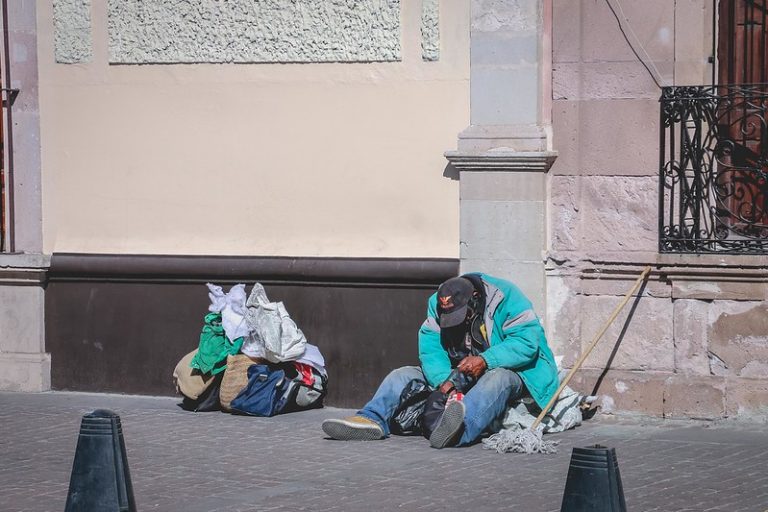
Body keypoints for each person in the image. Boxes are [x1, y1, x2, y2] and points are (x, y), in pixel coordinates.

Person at [322, 273, 559, 448]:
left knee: (499, 378)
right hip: (459, 373)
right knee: (403, 374)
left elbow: (526, 345)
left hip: (514, 370)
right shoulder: (438, 302)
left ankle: (460, 429)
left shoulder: (507, 298)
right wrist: (443, 382)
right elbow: (430, 348)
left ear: (475, 299)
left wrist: (485, 360)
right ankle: (371, 419)